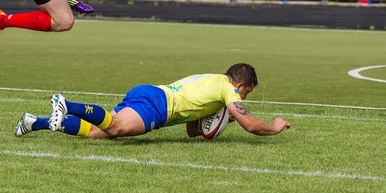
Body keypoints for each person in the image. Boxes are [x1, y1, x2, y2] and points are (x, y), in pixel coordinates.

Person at [15, 63, 291, 139]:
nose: (242, 99)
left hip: (151, 95)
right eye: (246, 93)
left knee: (100, 134)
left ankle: (34, 123)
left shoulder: (212, 83)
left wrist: (220, 120)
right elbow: (252, 125)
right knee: (117, 128)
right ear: (240, 84)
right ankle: (67, 104)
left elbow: (193, 131)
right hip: (157, 105)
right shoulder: (226, 88)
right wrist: (275, 126)